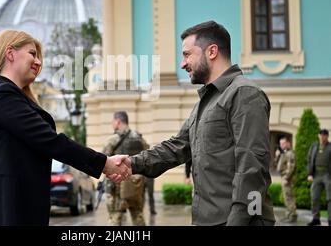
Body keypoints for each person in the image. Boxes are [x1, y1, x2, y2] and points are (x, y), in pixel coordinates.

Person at [115, 20, 276, 226]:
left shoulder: (244, 94)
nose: (183, 64)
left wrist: (239, 222)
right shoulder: (205, 102)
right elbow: (176, 147)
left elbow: (252, 169)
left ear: (212, 51)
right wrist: (131, 163)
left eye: (187, 54)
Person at [0, 29, 130, 226]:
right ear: (10, 53)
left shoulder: (11, 96)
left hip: (12, 209)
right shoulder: (3, 95)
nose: (39, 62)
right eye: (32, 54)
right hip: (1, 212)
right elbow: (51, 141)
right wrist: (104, 163)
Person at [102, 111, 148, 226]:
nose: (112, 125)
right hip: (136, 185)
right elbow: (147, 157)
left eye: (113, 122)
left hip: (117, 187)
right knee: (138, 215)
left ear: (118, 122)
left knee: (115, 217)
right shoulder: (140, 138)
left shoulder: (113, 139)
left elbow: (104, 161)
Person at [306, 128, 331, 226]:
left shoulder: (330, 146)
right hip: (316, 175)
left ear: (327, 136)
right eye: (321, 134)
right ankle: (316, 219)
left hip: (328, 175)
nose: (322, 136)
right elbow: (309, 159)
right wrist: (310, 174)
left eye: (324, 135)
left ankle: (330, 220)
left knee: (330, 199)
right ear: (318, 135)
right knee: (314, 197)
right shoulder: (314, 146)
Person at [274, 137, 297, 223]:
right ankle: (288, 215)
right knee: (286, 197)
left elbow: (291, 167)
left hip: (288, 178)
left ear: (288, 143)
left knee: (289, 197)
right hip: (283, 177)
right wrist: (277, 156)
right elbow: (278, 165)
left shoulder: (290, 153)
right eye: (280, 144)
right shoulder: (284, 153)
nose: (281, 145)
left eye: (283, 143)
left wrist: (287, 178)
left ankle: (292, 216)